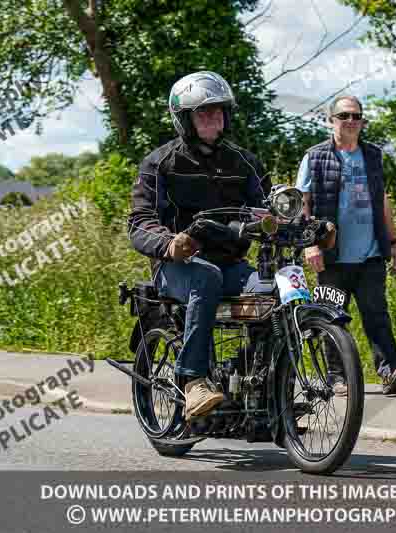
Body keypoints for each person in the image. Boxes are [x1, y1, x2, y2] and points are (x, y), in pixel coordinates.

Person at [127, 71, 271, 420]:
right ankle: (193, 381)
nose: (214, 118)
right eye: (204, 112)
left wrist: (290, 222)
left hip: (232, 266)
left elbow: (266, 208)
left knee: (272, 290)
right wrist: (169, 243)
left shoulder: (245, 162)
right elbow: (139, 222)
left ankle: (263, 382)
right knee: (205, 277)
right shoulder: (160, 162)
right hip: (178, 266)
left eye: (219, 111)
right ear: (185, 119)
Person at [295, 95, 396, 396]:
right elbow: (301, 203)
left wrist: (395, 242)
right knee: (330, 316)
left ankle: (389, 373)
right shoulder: (315, 156)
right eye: (344, 116)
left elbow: (382, 200)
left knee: (377, 314)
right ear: (331, 120)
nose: (351, 121)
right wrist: (310, 244)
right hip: (332, 256)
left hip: (370, 254)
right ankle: (336, 377)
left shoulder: (373, 155)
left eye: (356, 116)